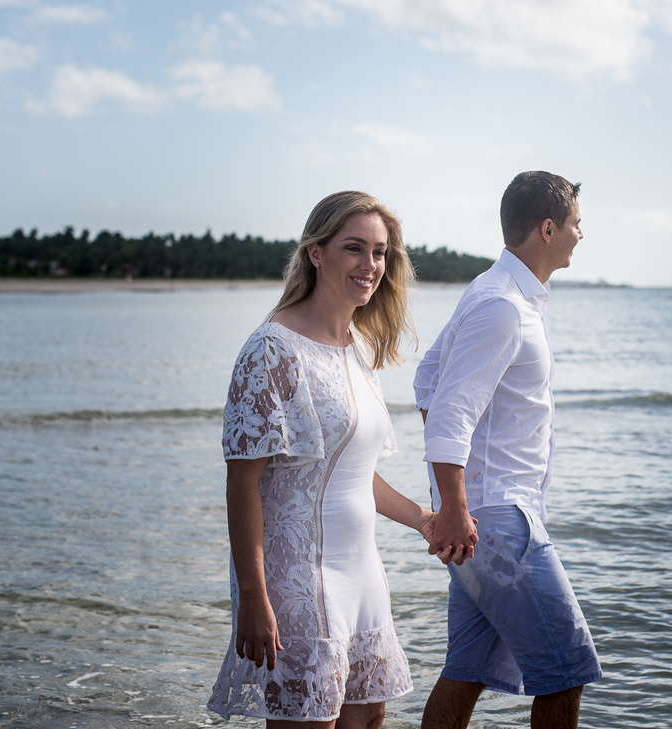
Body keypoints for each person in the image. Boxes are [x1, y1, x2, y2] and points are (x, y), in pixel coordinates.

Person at [208, 191, 466, 729]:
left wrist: (424, 518)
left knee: (370, 716)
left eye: (379, 252)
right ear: (316, 253)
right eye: (354, 248)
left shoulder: (358, 346)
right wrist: (254, 595)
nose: (370, 265)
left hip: (361, 572)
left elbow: (349, 472)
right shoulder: (271, 350)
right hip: (295, 578)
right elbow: (242, 486)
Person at [414, 171, 602, 729]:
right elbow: (449, 411)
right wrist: (455, 504)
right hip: (499, 520)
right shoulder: (501, 305)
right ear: (548, 228)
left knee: (466, 671)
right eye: (575, 223)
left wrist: (459, 497)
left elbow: (428, 381)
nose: (580, 235)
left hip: (485, 515)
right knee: (567, 671)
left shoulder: (500, 294)